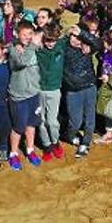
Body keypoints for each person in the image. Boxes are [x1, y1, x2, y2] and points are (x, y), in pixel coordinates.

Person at [7, 21, 42, 170]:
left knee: (31, 124)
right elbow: (21, 63)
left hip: (34, 93)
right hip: (19, 96)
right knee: (18, 127)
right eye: (24, 34)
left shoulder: (35, 48)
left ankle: (30, 149)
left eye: (30, 34)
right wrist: (33, 46)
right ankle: (13, 153)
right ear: (17, 34)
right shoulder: (13, 49)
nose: (28, 37)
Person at [63, 24, 101, 158]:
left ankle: (85, 143)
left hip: (89, 86)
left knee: (90, 118)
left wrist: (83, 34)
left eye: (78, 37)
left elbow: (98, 44)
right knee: (75, 121)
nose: (75, 39)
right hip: (73, 90)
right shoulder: (64, 49)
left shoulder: (87, 48)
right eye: (73, 36)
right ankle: (70, 135)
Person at [35, 24, 65, 161]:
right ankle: (46, 146)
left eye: (53, 40)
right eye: (47, 40)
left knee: (52, 121)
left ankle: (55, 142)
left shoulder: (61, 46)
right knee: (41, 121)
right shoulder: (37, 50)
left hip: (54, 90)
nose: (50, 43)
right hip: (39, 89)